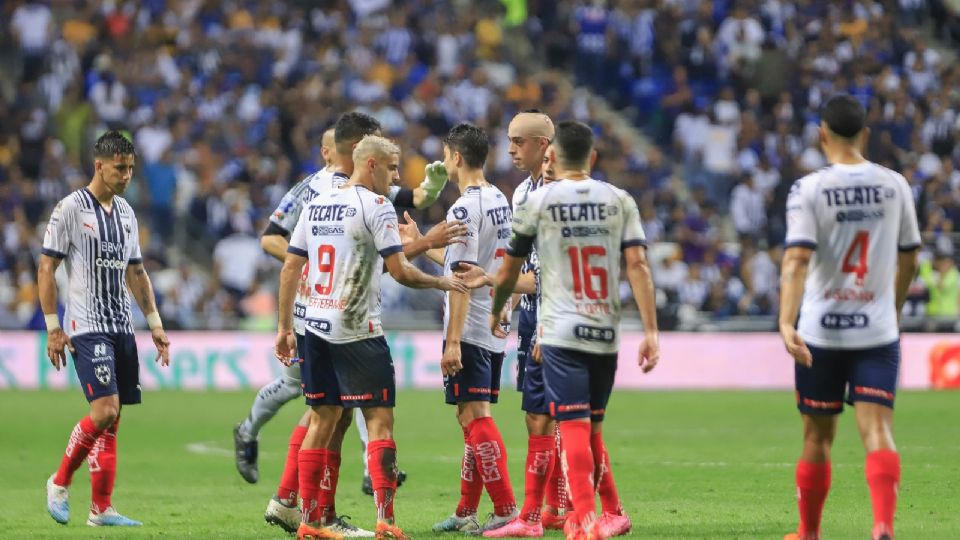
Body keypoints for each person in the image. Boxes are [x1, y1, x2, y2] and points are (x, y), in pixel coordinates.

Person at [245, 117, 460, 535]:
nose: (397, 177)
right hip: (357, 328)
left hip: (314, 325)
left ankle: (310, 521)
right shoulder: (375, 206)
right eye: (394, 168)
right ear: (373, 164)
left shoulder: (317, 203)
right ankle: (386, 521)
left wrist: (284, 327)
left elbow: (290, 265)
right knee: (379, 421)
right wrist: (441, 280)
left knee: (323, 419)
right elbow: (398, 270)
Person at [491, 121, 660, 540]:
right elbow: (637, 266)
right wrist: (652, 331)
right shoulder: (620, 199)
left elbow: (512, 267)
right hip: (605, 331)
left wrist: (497, 308)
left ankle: (584, 521)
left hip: (561, 332)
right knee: (592, 428)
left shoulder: (539, 201)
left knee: (574, 427)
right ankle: (596, 514)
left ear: (553, 155)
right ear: (593, 157)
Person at [778, 94, 921, 540]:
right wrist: (890, 309)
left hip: (822, 330)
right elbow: (910, 257)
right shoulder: (895, 184)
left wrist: (786, 322)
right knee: (877, 429)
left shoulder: (810, 188)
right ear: (866, 134)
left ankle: (809, 532)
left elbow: (797, 259)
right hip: (876, 329)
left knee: (817, 437)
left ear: (822, 135)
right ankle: (882, 526)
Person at [41, 131, 171, 527]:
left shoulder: (127, 214)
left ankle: (101, 509)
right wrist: (53, 327)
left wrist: (155, 324)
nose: (127, 175)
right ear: (99, 165)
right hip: (86, 325)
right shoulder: (70, 208)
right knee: (104, 411)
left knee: (114, 420)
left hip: (121, 326)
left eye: (131, 168)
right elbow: (47, 266)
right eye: (120, 168)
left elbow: (137, 272)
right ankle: (59, 482)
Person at [426, 123, 518, 535]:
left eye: (446, 156)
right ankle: (466, 511)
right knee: (471, 417)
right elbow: (471, 263)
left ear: (457, 158)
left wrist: (452, 342)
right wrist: (424, 245)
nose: (444, 162)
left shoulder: (463, 209)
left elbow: (461, 276)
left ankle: (505, 508)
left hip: (471, 327)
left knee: (474, 416)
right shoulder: (500, 198)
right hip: (494, 322)